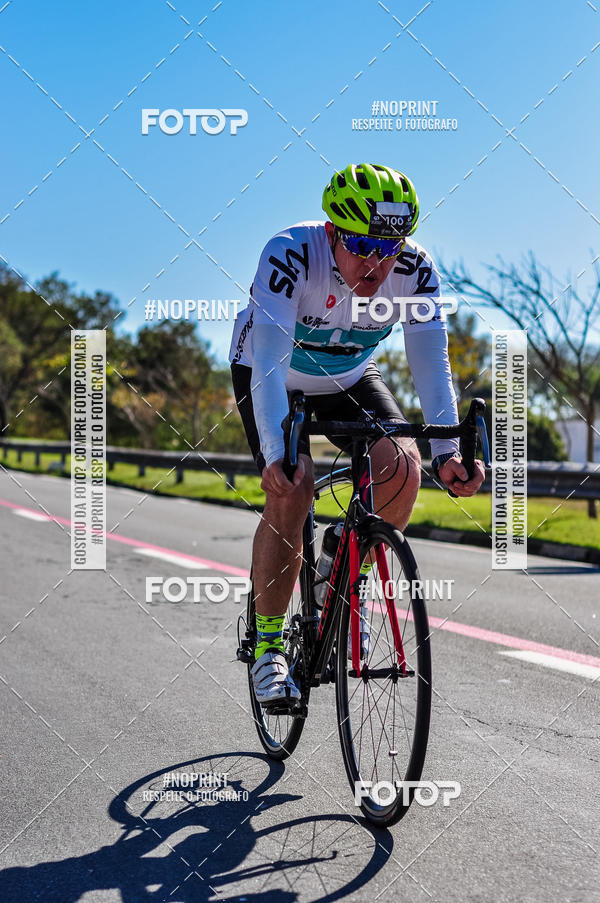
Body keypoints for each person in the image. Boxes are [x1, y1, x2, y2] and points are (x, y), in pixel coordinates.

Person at [228, 162, 484, 705]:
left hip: (348, 375)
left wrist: (446, 452)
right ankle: (271, 649)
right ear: (331, 233)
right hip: (271, 373)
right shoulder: (291, 254)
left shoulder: (414, 270)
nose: (376, 261)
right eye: (362, 244)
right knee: (293, 487)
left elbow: (430, 362)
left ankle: (341, 571)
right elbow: (270, 360)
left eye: (389, 246)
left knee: (403, 468)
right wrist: (278, 452)